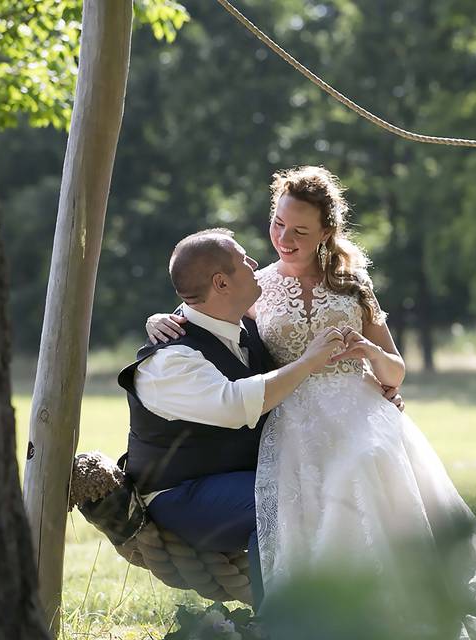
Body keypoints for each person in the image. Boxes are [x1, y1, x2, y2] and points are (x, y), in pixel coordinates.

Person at [147, 167, 476, 636]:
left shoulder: (353, 284)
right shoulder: (258, 285)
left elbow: (396, 372)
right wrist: (161, 320)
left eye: (299, 229)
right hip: (294, 418)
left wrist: (370, 352)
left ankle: (402, 607)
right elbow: (211, 307)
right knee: (325, 496)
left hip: (361, 409)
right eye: (277, 223)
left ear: (325, 231)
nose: (284, 238)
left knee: (371, 462)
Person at [119, 228, 351, 606]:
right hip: (178, 493)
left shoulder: (246, 327)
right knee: (280, 500)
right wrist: (309, 361)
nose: (255, 264)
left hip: (237, 477)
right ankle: (278, 626)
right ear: (222, 282)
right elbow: (233, 403)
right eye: (244, 260)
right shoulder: (169, 361)